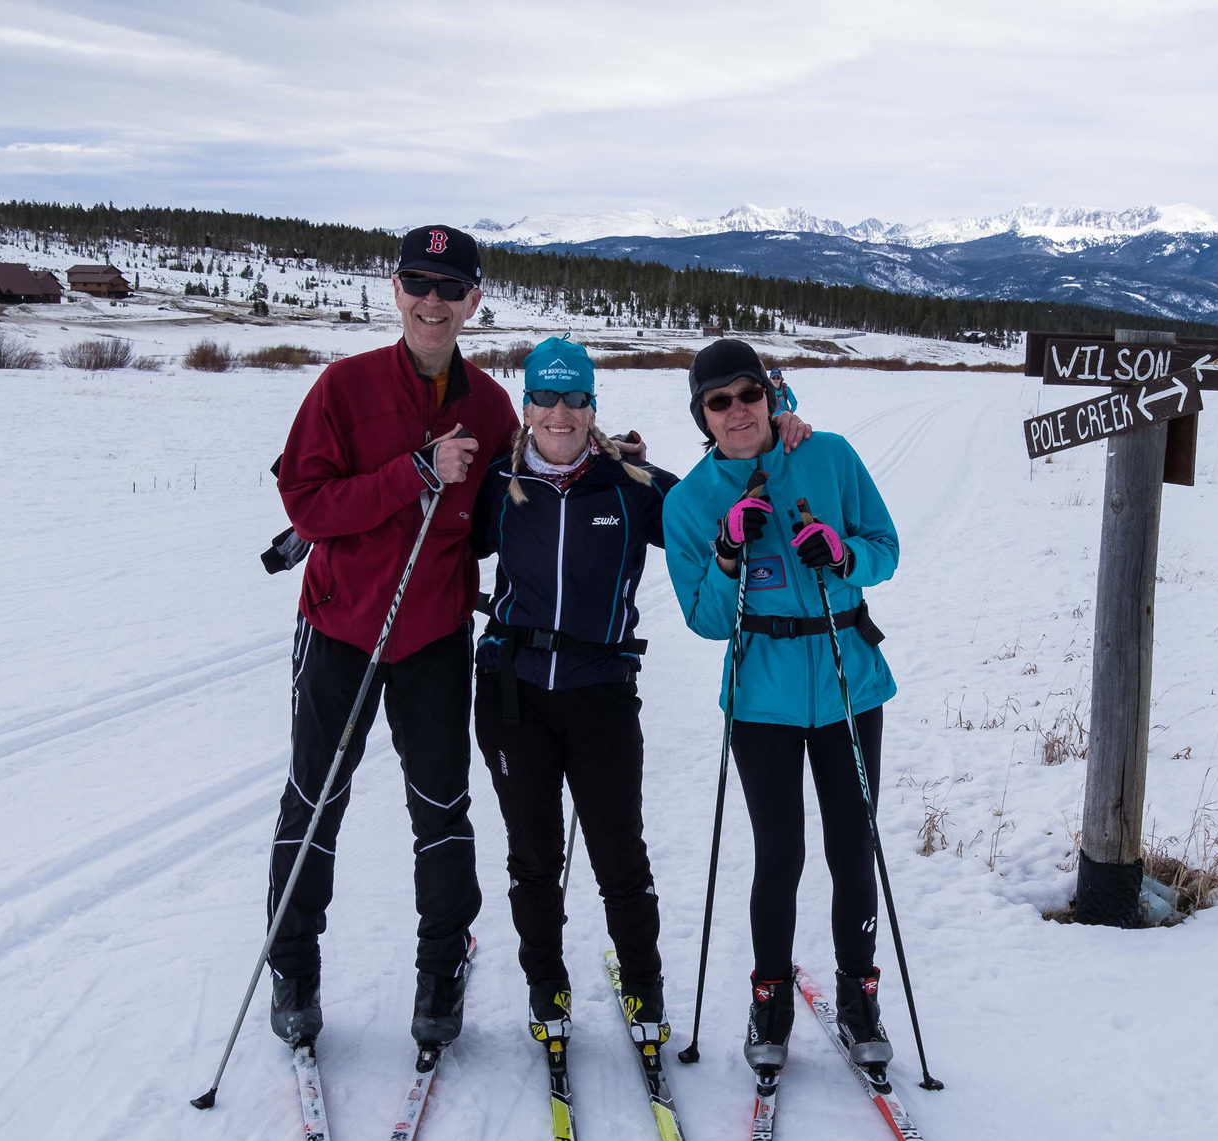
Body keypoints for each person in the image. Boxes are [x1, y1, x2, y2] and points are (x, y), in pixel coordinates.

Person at [469, 338, 813, 1045]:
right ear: (526, 404)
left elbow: (715, 494)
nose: (560, 414)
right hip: (513, 695)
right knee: (531, 856)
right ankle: (546, 988)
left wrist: (783, 432)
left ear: (593, 404)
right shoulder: (497, 486)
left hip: (601, 692)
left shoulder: (631, 482)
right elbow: (439, 537)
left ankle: (644, 986)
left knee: (619, 853)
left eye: (575, 399)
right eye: (545, 398)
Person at [264, 225, 517, 1050]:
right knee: (315, 797)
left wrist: (597, 458)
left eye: (450, 287)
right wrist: (412, 473)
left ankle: (439, 976)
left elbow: (498, 517)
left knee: (442, 807)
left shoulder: (490, 406)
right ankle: (293, 968)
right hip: (341, 625)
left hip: (434, 635)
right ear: (395, 290)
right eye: (418, 282)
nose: (432, 301)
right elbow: (306, 506)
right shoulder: (344, 387)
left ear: (474, 300)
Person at [662, 340, 900, 1076]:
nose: (737, 410)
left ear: (771, 394)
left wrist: (844, 554)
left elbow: (885, 548)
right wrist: (729, 550)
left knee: (852, 845)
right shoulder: (690, 502)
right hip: (761, 695)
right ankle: (771, 996)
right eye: (718, 400)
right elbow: (705, 618)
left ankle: (860, 994)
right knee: (781, 852)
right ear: (702, 415)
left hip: (846, 683)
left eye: (748, 393)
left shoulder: (826, 456)